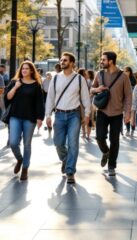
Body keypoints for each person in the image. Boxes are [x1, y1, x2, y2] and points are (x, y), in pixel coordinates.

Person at [45, 54, 91, 184]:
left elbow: (85, 98)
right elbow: (50, 98)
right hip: (59, 114)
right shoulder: (55, 79)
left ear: (72, 63)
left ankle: (70, 171)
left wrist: (87, 114)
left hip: (74, 115)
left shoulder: (79, 79)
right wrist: (48, 115)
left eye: (65, 60)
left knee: (73, 143)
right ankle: (66, 160)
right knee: (58, 143)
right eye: (61, 60)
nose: (62, 62)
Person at [91, 51, 132, 177]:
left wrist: (127, 112)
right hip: (102, 111)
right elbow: (91, 89)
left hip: (117, 113)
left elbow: (128, 96)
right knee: (99, 137)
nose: (101, 62)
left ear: (111, 61)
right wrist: (97, 89)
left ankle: (112, 165)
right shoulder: (99, 74)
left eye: (103, 60)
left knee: (115, 140)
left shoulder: (123, 76)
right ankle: (106, 152)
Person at [5, 61, 44, 181]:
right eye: (22, 69)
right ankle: (19, 159)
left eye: (27, 69)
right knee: (13, 142)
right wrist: (16, 87)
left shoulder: (36, 85)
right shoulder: (14, 82)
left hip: (30, 118)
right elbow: (8, 97)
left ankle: (25, 168)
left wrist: (40, 118)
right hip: (15, 116)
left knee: (27, 144)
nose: (24, 70)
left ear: (31, 71)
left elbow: (39, 102)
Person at [123, 66, 137, 137]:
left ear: (130, 72)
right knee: (126, 115)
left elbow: (136, 90)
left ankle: (133, 129)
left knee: (133, 116)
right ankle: (128, 130)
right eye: (125, 71)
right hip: (125, 101)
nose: (126, 73)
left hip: (133, 101)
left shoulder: (133, 80)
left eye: (127, 71)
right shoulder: (122, 79)